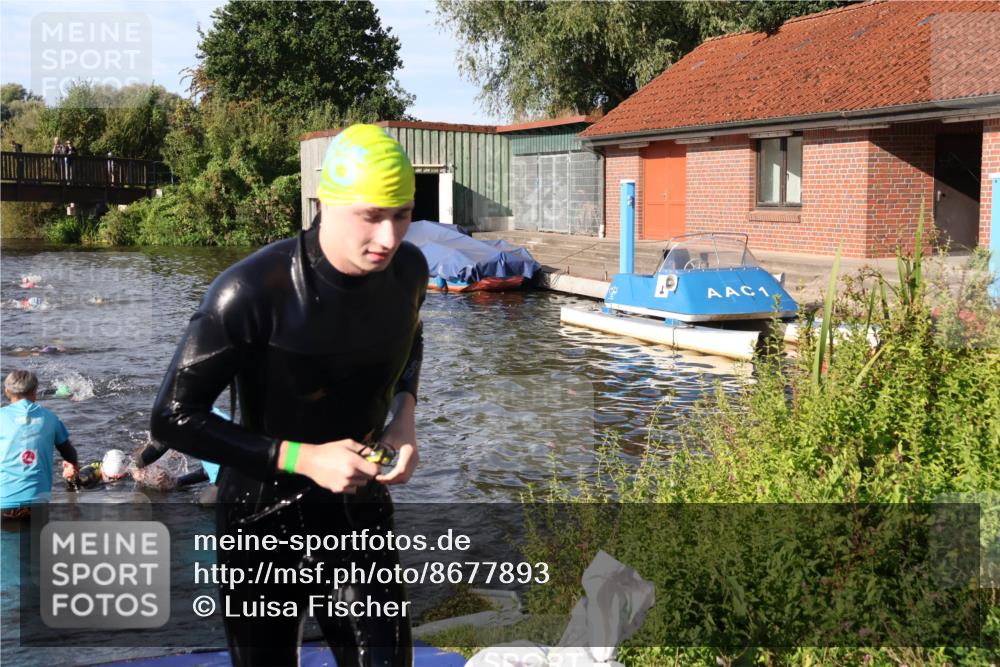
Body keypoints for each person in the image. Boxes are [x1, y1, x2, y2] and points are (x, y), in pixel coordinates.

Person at [149, 124, 427, 667]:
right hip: (261, 511)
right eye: (371, 216)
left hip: (356, 504)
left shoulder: (408, 271)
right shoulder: (250, 290)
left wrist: (404, 416)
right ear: (326, 204)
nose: (389, 238)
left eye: (401, 214)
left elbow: (410, 337)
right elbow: (172, 418)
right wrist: (302, 457)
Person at [0, 370, 79, 519]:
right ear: (35, 392)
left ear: (7, 391)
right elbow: (69, 453)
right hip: (37, 501)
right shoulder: (50, 418)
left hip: (3, 502)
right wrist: (73, 466)